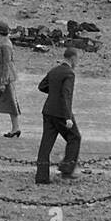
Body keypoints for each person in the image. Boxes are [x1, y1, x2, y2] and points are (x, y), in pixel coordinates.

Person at [34, 49, 80, 184]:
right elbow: (66, 95)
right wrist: (68, 117)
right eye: (77, 59)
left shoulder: (54, 70)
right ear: (73, 58)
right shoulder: (69, 74)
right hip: (61, 113)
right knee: (75, 137)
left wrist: (53, 92)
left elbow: (42, 86)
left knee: (46, 144)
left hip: (48, 111)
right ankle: (67, 169)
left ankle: (41, 177)